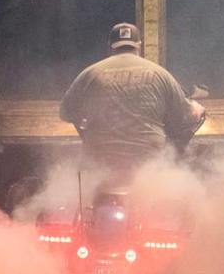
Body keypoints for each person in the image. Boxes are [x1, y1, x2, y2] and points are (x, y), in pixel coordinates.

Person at [60, 23, 206, 171]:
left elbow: (66, 113)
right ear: (139, 45)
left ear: (110, 46)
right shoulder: (160, 73)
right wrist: (196, 108)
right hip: (149, 159)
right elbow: (184, 114)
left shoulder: (90, 73)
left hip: (100, 158)